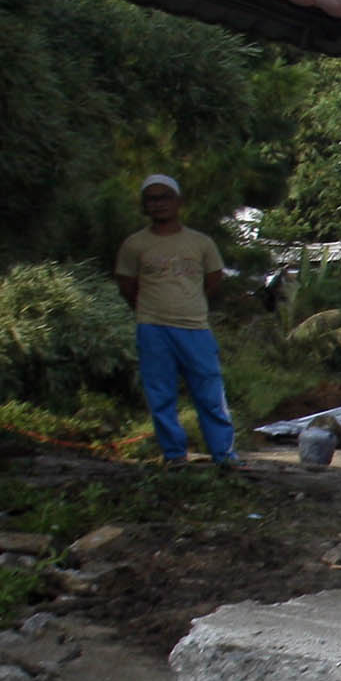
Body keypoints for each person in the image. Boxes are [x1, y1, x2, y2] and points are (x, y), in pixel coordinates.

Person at [112, 172, 238, 468]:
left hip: (195, 328)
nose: (158, 204)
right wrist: (149, 309)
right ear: (144, 205)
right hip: (153, 328)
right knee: (160, 395)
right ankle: (174, 456)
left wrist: (190, 302)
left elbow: (214, 278)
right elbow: (127, 284)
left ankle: (225, 456)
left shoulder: (200, 242)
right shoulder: (134, 244)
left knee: (210, 393)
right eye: (151, 199)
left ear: (178, 201)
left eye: (164, 197)